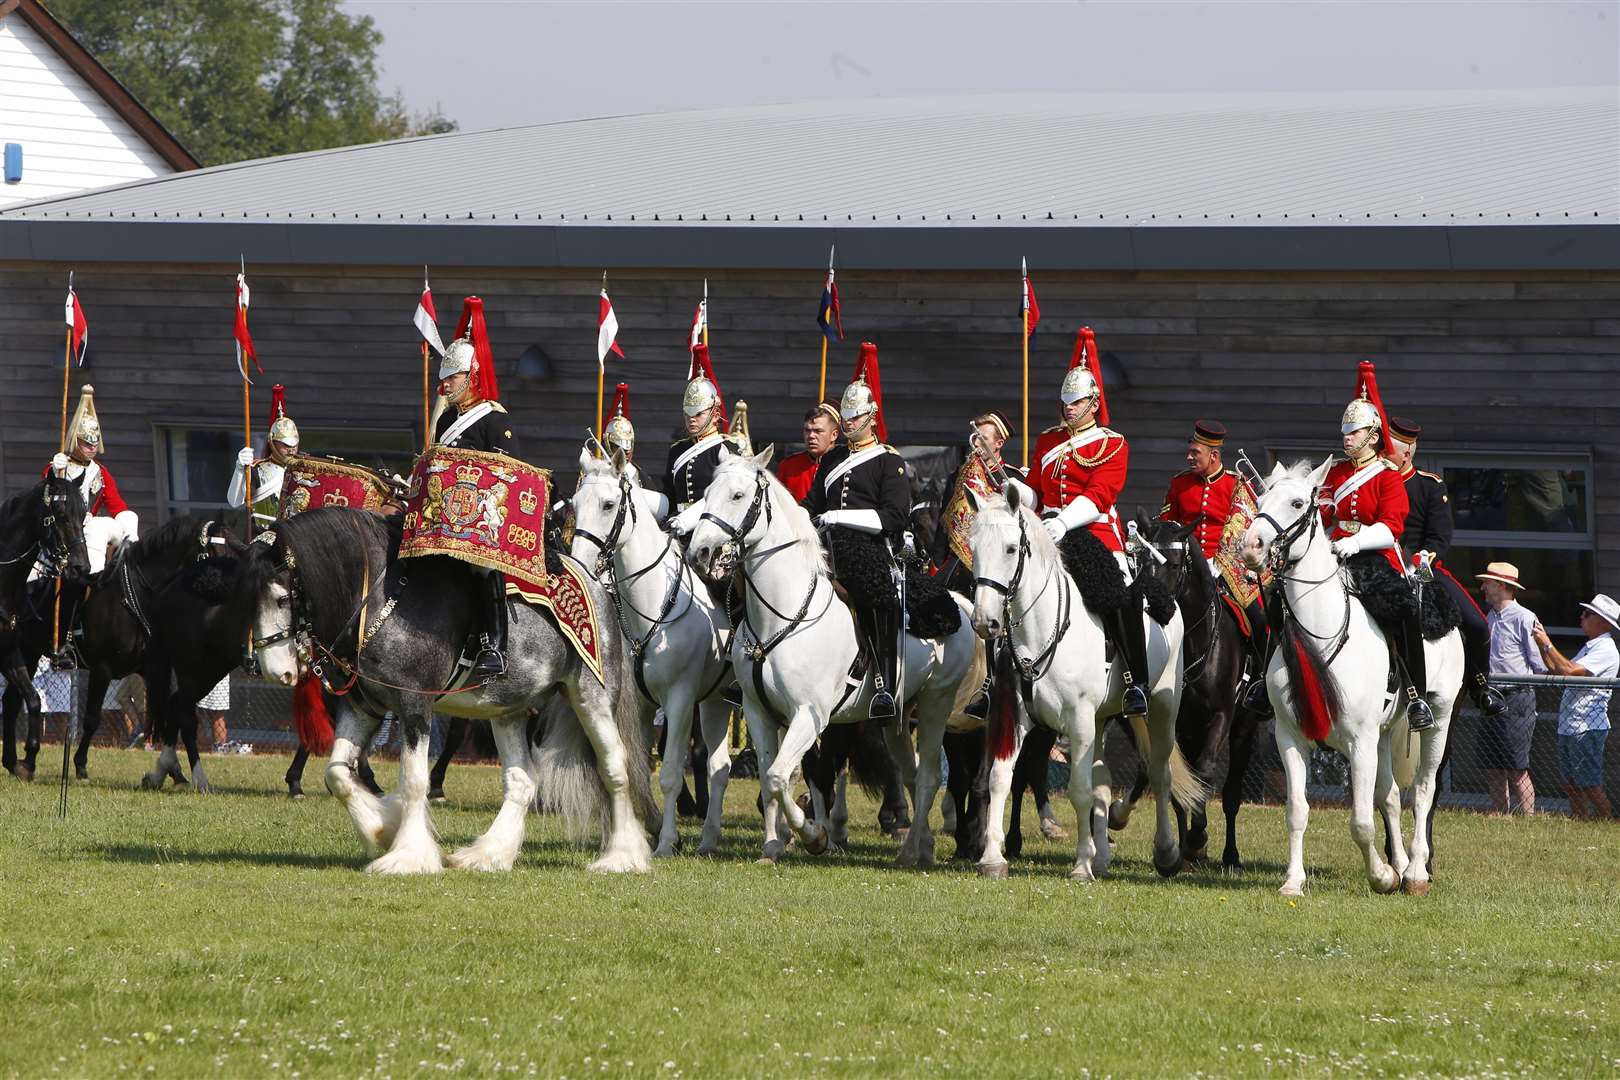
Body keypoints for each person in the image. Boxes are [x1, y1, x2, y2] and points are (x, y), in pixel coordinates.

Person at [1031, 327, 1147, 719]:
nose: (1068, 408)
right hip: (1046, 530)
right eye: (1065, 401)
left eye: (1076, 402)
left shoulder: (1113, 443)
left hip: (1093, 532)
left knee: (1122, 593)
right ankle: (992, 682)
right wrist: (1008, 488)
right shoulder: (1047, 442)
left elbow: (1100, 495)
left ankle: (1135, 681)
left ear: (1094, 403)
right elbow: (1035, 490)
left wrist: (1062, 523)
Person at [1319, 361, 1433, 730]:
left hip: (1374, 556)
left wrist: (1355, 541)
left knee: (1404, 610)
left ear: (1373, 435)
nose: (1346, 437)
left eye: (1355, 431)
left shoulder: (1386, 476)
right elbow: (1322, 516)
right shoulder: (1335, 473)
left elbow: (1391, 526)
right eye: (1345, 430)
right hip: (1333, 552)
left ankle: (1416, 696)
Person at [803, 343, 910, 721]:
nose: (848, 422)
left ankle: (882, 683)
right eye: (845, 416)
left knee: (870, 592)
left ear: (872, 416)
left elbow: (895, 517)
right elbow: (812, 504)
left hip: (870, 549)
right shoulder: (832, 459)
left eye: (855, 416)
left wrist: (838, 518)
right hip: (827, 546)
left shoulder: (888, 461)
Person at [1386, 416, 1504, 716]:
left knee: (1477, 624)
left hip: (1420, 567)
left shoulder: (1428, 486)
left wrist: (1424, 556)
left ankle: (1481, 685)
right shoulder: (1375, 482)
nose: (1382, 456)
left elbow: (1439, 537)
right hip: (1380, 566)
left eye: (1387, 450)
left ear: (1406, 453)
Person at [1157, 419, 1270, 713]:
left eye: (1196, 452)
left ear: (1214, 456)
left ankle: (1260, 682)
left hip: (1227, 572)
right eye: (1190, 451)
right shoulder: (1179, 484)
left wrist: (1221, 562)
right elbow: (1168, 526)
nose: (1189, 457)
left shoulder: (1236, 485)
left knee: (1259, 619)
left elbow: (1245, 527)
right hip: (1185, 571)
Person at [434, 297, 520, 679]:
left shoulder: (494, 420)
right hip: (444, 520)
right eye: (445, 376)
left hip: (485, 523)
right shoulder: (445, 421)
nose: (446, 383)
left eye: (452, 376)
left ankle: (494, 645)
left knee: (483, 566)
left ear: (473, 374)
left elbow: (508, 473)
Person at [938, 409, 1035, 719]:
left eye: (983, 437)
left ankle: (989, 685)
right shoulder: (959, 475)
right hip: (960, 560)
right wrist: (934, 562)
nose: (975, 442)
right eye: (974, 435)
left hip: (998, 568)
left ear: (999, 443)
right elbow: (946, 521)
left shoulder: (1012, 479)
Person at [1533, 593, 1618, 821]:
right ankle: (1579, 820)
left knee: (1589, 783)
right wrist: (1542, 646)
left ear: (1603, 622)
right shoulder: (1590, 646)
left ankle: (1606, 821)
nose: (1582, 617)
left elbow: (1570, 670)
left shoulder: (1606, 649)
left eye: (1587, 614)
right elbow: (1558, 670)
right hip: (1571, 724)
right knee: (1570, 782)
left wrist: (1547, 644)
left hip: (1588, 726)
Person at [47, 385, 138, 576]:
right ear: (75, 440)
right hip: (63, 530)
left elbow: (117, 506)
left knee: (101, 526)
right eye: (87, 444)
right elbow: (47, 495)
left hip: (88, 530)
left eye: (95, 444)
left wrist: (129, 529)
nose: (92, 448)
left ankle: (94, 575)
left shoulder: (101, 473)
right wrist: (55, 471)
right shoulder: (59, 466)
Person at [1477, 562, 1544, 814]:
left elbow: (1539, 664)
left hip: (1517, 696)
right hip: (1490, 696)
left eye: (1488, 582)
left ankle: (1528, 819)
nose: (1483, 587)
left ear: (1502, 586)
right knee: (1492, 764)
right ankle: (1499, 814)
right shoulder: (1489, 616)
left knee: (1517, 765)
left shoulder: (1525, 618)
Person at [667, 344, 741, 534]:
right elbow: (669, 495)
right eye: (687, 414)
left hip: (714, 529)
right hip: (677, 527)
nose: (691, 419)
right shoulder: (677, 450)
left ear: (715, 414)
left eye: (698, 414)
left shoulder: (727, 449)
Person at [227, 384, 300, 529]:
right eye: (286, 445)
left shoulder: (305, 469)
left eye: (294, 445)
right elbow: (234, 502)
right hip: (264, 541)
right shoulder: (258, 469)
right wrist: (240, 469)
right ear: (272, 443)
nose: (291, 450)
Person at [599, 381, 669, 519]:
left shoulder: (638, 473)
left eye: (627, 447)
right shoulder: (596, 470)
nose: (624, 453)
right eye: (617, 447)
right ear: (607, 443)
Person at [777, 401, 840, 502]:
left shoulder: (844, 465)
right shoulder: (788, 466)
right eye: (807, 430)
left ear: (834, 435)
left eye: (818, 431)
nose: (811, 436)